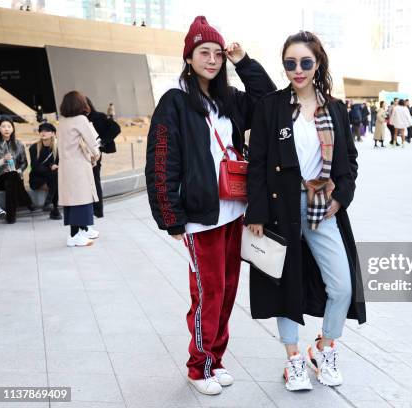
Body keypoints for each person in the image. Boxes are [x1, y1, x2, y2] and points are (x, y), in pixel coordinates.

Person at [144, 16, 275, 395]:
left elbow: (267, 102)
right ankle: (198, 367)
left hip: (234, 210)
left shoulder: (229, 99)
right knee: (209, 293)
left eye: (218, 53)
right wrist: (171, 218)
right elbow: (161, 158)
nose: (213, 60)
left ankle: (215, 360)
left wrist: (244, 61)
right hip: (201, 216)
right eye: (205, 52)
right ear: (189, 57)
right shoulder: (175, 101)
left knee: (229, 290)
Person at [245, 30, 366, 392]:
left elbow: (350, 161)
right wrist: (257, 212)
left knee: (342, 286)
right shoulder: (271, 106)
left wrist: (341, 198)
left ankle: (324, 348)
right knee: (284, 286)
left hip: (321, 208)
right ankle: (294, 359)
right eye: (290, 63)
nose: (297, 70)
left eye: (305, 63)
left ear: (318, 64)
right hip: (281, 209)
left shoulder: (336, 109)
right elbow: (258, 162)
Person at [58, 91, 101, 247]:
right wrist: (96, 154)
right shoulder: (81, 119)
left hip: (66, 166)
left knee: (72, 201)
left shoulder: (62, 120)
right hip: (78, 165)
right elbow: (91, 141)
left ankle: (81, 231)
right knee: (81, 200)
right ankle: (75, 235)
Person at [86, 97, 121, 218]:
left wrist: (102, 141)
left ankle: (98, 210)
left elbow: (116, 128)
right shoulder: (78, 119)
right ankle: (89, 208)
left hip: (96, 153)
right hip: (82, 154)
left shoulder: (99, 116)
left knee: (95, 180)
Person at [0, 117, 34, 224]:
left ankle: (11, 217)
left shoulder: (19, 144)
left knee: (12, 177)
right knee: (11, 177)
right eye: (3, 126)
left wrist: (20, 171)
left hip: (14, 176)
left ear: (13, 129)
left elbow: (24, 163)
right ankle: (26, 200)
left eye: (9, 126)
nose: (6, 129)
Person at [29, 122, 62, 220]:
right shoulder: (34, 148)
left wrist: (53, 167)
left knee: (55, 177)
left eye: (47, 131)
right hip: (37, 179)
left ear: (53, 133)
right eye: (41, 131)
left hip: (52, 177)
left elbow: (60, 164)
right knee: (55, 179)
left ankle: (49, 203)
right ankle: (53, 209)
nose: (43, 133)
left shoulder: (58, 147)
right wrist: (50, 167)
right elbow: (35, 167)